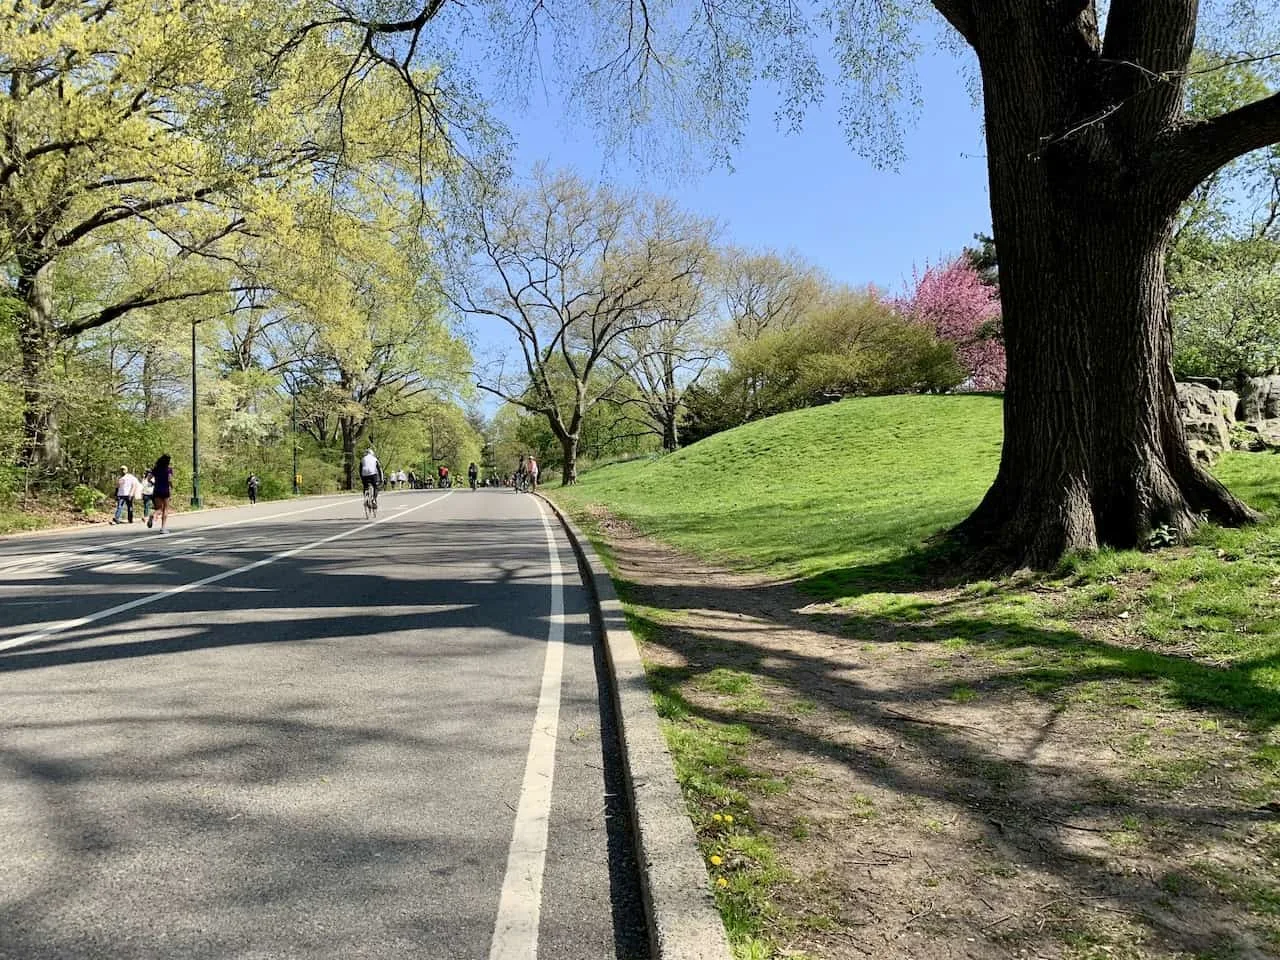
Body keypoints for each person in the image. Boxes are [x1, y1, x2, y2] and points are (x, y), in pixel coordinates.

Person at [149, 453, 174, 533]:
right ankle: (163, 528)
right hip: (165, 490)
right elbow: (169, 479)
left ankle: (153, 515)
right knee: (165, 509)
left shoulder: (156, 469)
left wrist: (153, 483)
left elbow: (148, 478)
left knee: (159, 508)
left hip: (157, 490)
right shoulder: (168, 469)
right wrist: (171, 486)